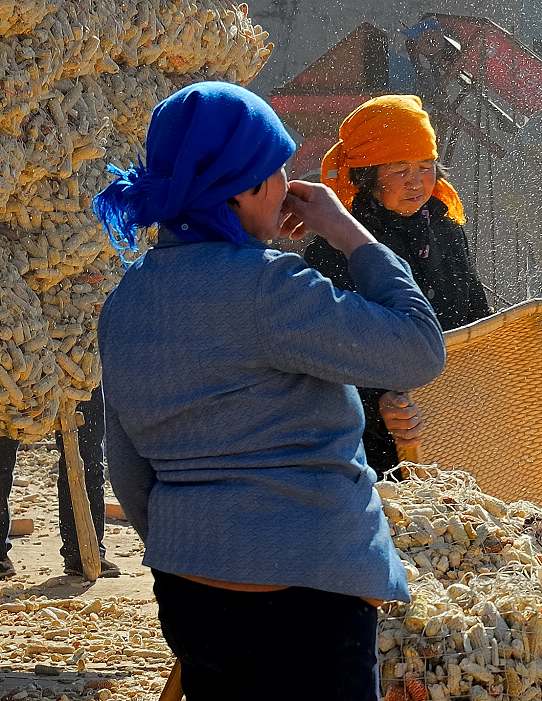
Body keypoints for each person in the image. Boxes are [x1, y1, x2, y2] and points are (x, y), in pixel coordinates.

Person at [92, 82, 446, 700]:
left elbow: (125, 464)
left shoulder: (127, 302)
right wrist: (346, 231)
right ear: (245, 187)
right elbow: (418, 349)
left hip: (189, 586)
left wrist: (198, 545)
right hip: (306, 597)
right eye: (278, 171)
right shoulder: (270, 289)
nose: (289, 187)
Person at [306, 94, 542, 477]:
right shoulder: (334, 253)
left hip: (464, 428)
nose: (417, 183)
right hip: (375, 453)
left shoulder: (443, 226)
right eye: (400, 170)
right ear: (367, 174)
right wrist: (379, 406)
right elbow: (327, 367)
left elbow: (477, 322)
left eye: (426, 167)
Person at [0, 385, 119, 579]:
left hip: (79, 363)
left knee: (86, 459)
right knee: (1, 452)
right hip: (11, 359)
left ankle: (83, 552)